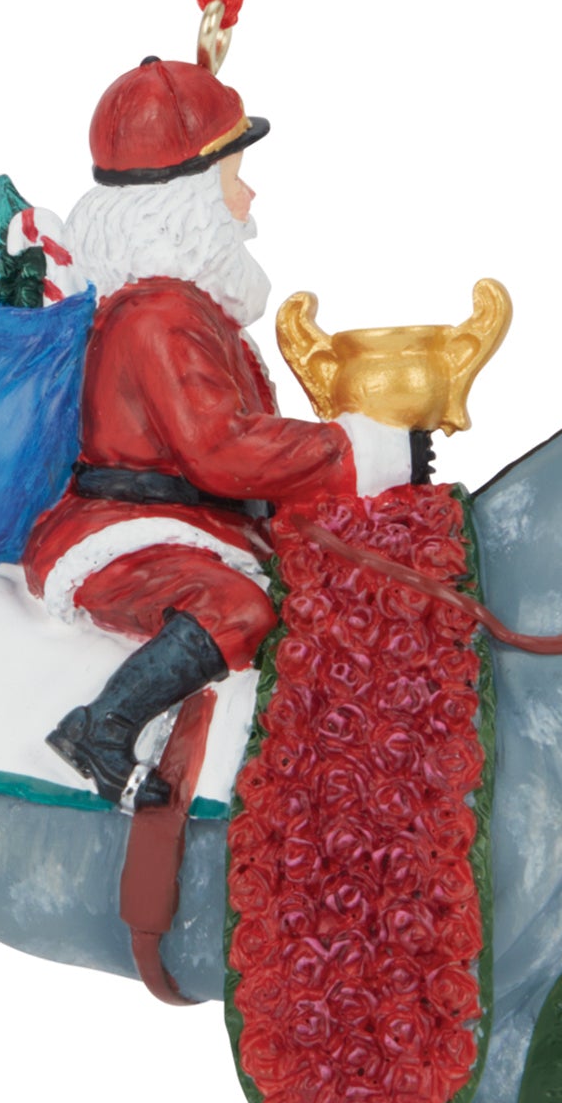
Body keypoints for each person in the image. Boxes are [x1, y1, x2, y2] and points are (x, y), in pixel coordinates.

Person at [22, 55, 412, 807]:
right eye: (233, 178)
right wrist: (355, 452)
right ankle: (102, 726)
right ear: (186, 203)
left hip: (194, 522)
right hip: (127, 531)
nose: (248, 198)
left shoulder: (196, 313)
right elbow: (223, 449)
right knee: (235, 608)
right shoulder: (160, 317)